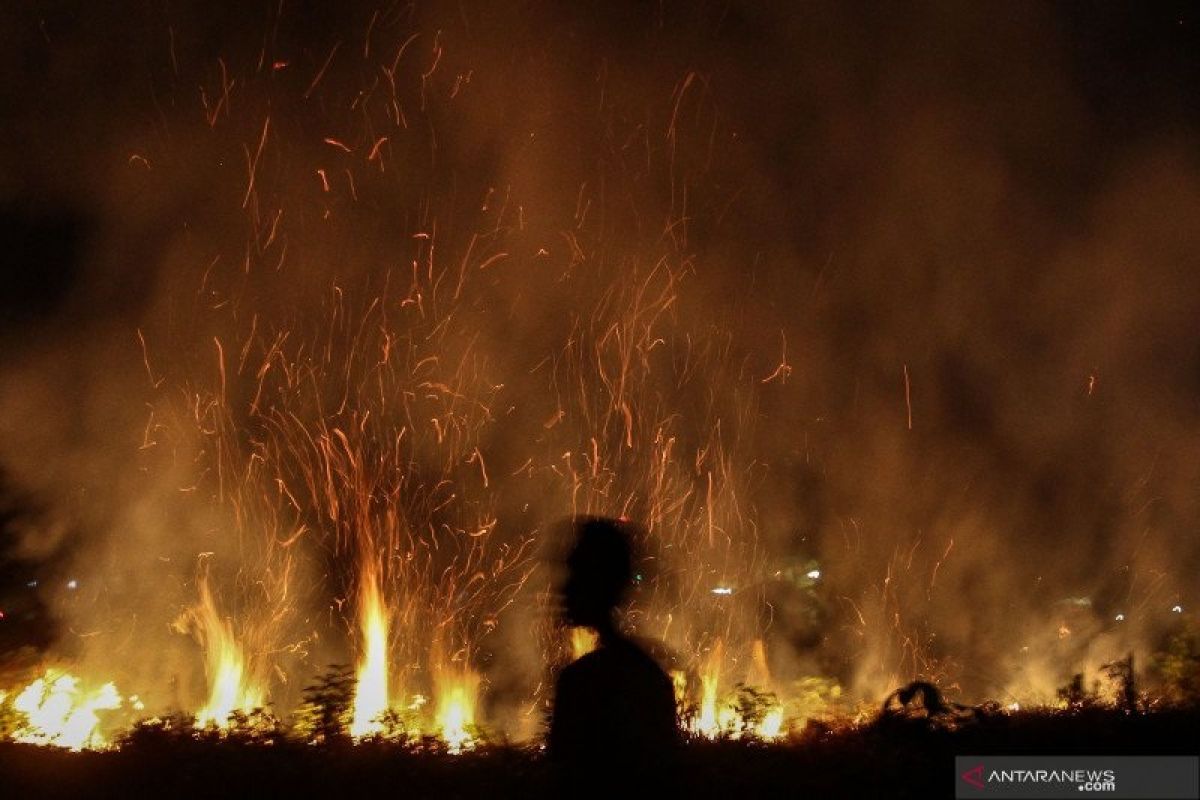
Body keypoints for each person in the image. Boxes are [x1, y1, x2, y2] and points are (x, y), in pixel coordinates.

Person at [547, 516, 679, 795]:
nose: (561, 590)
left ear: (596, 583)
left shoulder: (583, 682)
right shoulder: (649, 674)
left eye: (572, 576)